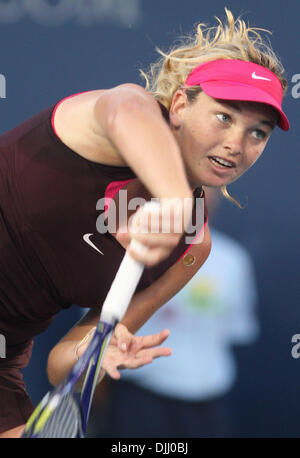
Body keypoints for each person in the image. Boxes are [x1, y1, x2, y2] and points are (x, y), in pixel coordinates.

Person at [0, 8, 289, 438]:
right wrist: (173, 202)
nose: (236, 144)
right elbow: (126, 110)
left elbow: (63, 363)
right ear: (178, 104)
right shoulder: (122, 111)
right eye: (224, 116)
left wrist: (100, 356)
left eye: (258, 132)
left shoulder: (193, 248)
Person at [88, 187, 259, 438]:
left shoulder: (234, 261)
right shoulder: (130, 251)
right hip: (141, 400)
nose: (200, 196)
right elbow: (94, 335)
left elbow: (235, 330)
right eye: (188, 185)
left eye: (207, 189)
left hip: (208, 405)